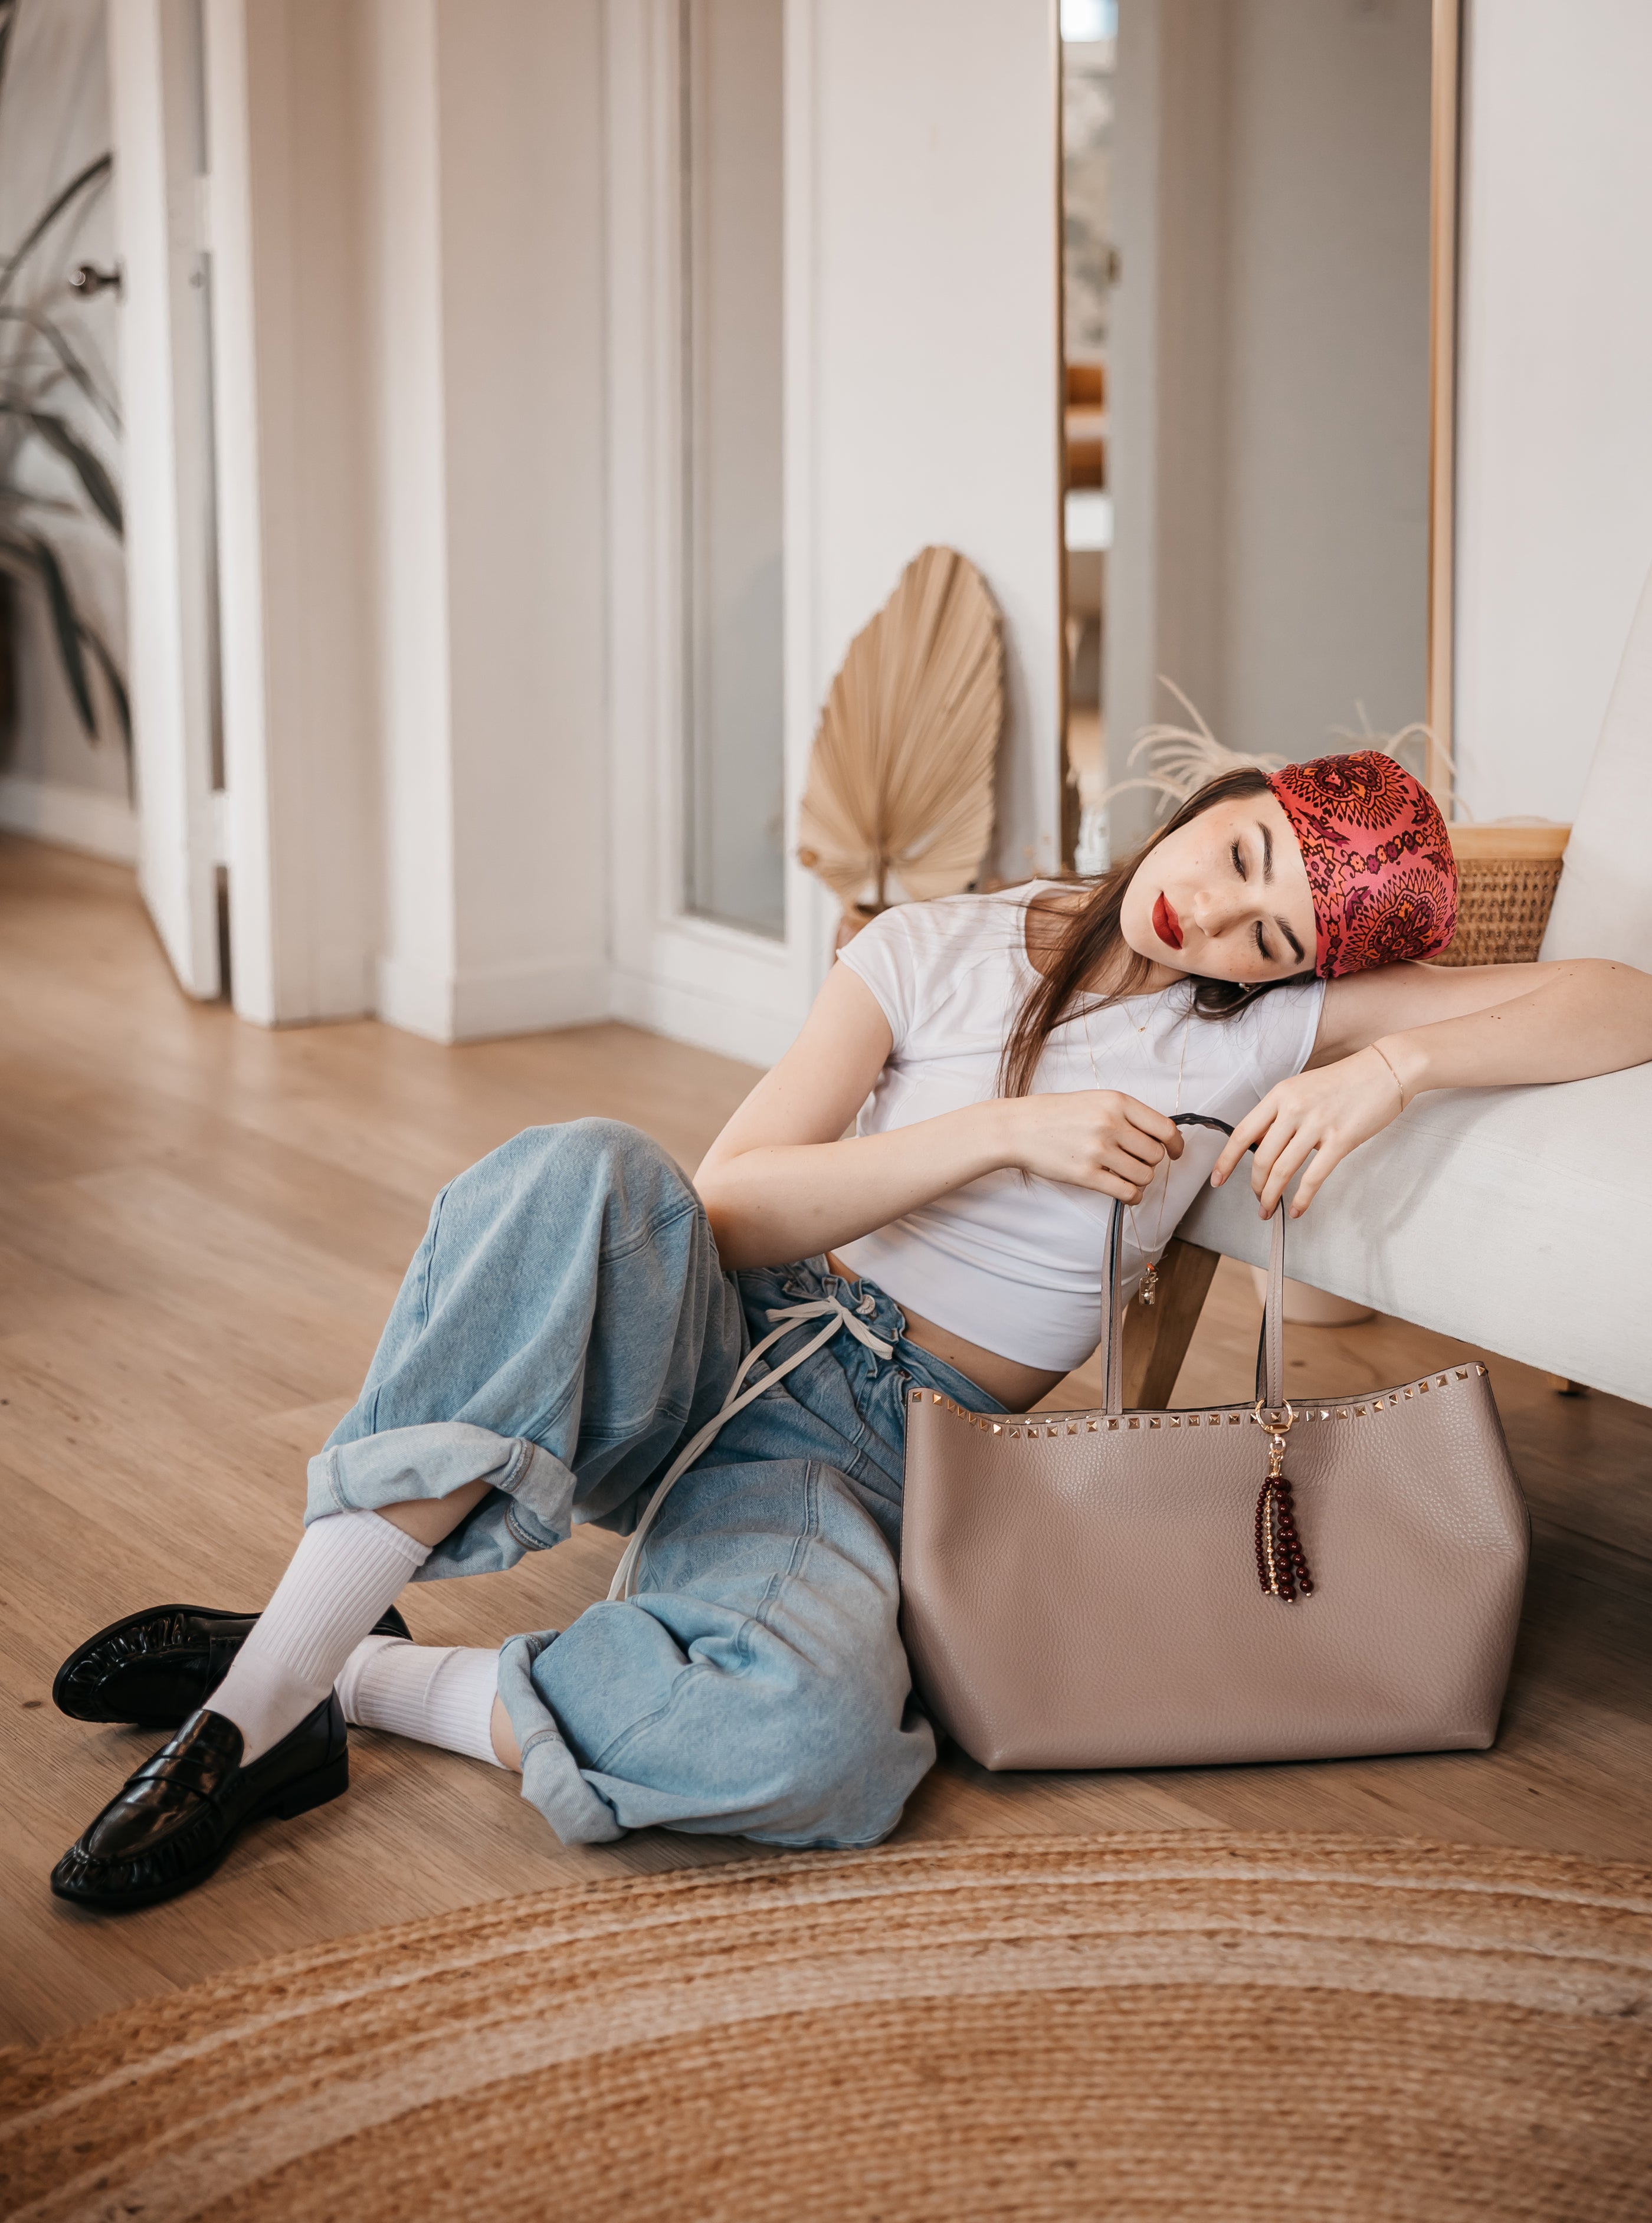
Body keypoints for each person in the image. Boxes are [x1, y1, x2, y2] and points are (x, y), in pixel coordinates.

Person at [48, 754, 1652, 1909]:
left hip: (870, 1452)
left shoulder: (1260, 1030)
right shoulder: (931, 945)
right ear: (1216, 798)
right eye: (1242, 859)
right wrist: (998, 1138)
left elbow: (1622, 999)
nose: (1224, 918)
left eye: (1273, 936)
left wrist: (1394, 1068)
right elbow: (731, 1202)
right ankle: (249, 1712)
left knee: (812, 1741)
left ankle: (352, 1680)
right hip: (708, 1334)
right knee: (583, 1172)